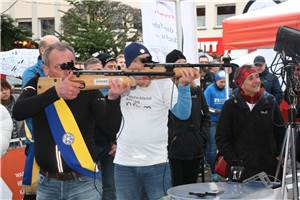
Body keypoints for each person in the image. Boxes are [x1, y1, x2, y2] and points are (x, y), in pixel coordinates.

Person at [13, 42, 129, 200]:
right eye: (61, 66)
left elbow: (110, 127)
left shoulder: (86, 87)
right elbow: (19, 111)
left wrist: (113, 99)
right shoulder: (37, 85)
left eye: (71, 65)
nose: (68, 71)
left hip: (83, 182)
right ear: (46, 70)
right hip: (47, 184)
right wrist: (55, 93)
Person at [114, 42, 198, 200]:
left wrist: (184, 86)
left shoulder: (163, 82)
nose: (146, 64)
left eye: (148, 60)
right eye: (140, 60)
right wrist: (132, 81)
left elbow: (183, 114)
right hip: (124, 163)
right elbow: (106, 102)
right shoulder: (120, 80)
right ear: (129, 64)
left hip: (156, 162)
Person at [216, 65, 285, 180]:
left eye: (257, 76)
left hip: (268, 168)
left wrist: (278, 155)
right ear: (241, 83)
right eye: (250, 78)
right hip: (241, 169)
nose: (256, 81)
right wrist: (233, 160)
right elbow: (221, 137)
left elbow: (280, 132)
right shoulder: (231, 105)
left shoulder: (270, 101)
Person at [21, 34, 59, 200]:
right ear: (42, 50)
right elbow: (28, 107)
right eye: (54, 47)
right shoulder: (31, 74)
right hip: (41, 137)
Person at [166, 49, 210, 186]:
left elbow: (206, 115)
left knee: (192, 187)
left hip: (195, 147)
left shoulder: (196, 90)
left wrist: (202, 136)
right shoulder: (168, 90)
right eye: (179, 64)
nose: (184, 67)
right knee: (177, 186)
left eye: (185, 63)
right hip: (175, 149)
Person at [84, 57, 117, 200]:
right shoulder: (79, 93)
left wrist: (115, 141)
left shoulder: (111, 91)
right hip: (88, 147)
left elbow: (115, 120)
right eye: (95, 71)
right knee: (91, 186)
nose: (99, 73)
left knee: (110, 185)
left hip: (108, 146)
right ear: (85, 72)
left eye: (100, 70)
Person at [204, 70, 228, 182]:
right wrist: (217, 111)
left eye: (224, 82)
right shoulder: (209, 90)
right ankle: (213, 170)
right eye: (221, 82)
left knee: (225, 145)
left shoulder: (228, 90)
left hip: (224, 122)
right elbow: (205, 106)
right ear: (216, 81)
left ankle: (224, 168)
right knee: (212, 147)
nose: (223, 84)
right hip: (212, 122)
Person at [0, 78, 25, 147]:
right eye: (1, 90)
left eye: (6, 89)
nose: (4, 92)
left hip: (21, 141)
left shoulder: (20, 99)